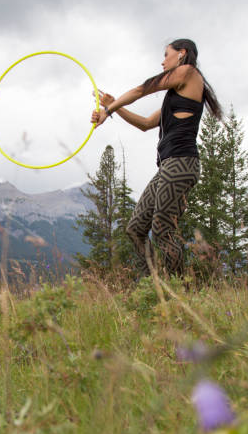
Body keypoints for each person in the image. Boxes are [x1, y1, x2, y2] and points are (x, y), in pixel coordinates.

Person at [91, 38, 222, 277]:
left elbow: (142, 89)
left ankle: (177, 290)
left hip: (182, 163)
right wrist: (114, 107)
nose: (163, 61)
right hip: (168, 167)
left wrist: (107, 110)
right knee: (136, 229)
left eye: (166, 55)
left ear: (181, 54)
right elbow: (145, 124)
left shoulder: (188, 73)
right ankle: (151, 289)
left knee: (162, 228)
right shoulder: (176, 94)